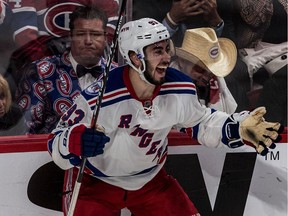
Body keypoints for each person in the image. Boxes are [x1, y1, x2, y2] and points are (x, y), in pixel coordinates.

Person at [48, 18, 282, 216]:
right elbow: (55, 141)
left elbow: (201, 122)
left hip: (151, 182)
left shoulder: (180, 87)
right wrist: (74, 141)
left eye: (166, 49)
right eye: (157, 51)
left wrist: (237, 127)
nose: (166, 57)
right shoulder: (97, 98)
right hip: (96, 183)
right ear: (135, 58)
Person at [15, 5, 117, 134]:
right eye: (80, 34)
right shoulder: (40, 72)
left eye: (95, 34)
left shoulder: (118, 74)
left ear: (105, 37)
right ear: (71, 36)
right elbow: (25, 131)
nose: (88, 41)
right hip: (47, 153)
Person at [170, 27, 237, 113]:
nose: (206, 77)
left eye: (211, 72)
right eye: (200, 69)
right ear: (182, 61)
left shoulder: (218, 81)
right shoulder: (169, 87)